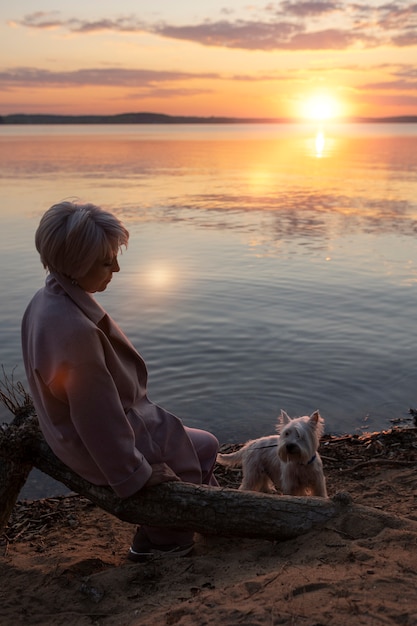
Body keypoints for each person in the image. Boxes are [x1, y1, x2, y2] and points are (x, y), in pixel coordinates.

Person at [21, 201, 219, 561]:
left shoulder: (47, 299)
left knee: (203, 447)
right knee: (202, 450)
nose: (116, 268)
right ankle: (166, 541)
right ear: (76, 264)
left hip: (74, 434)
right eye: (106, 261)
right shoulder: (73, 331)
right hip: (100, 448)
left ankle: (176, 531)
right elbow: (97, 421)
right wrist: (134, 473)